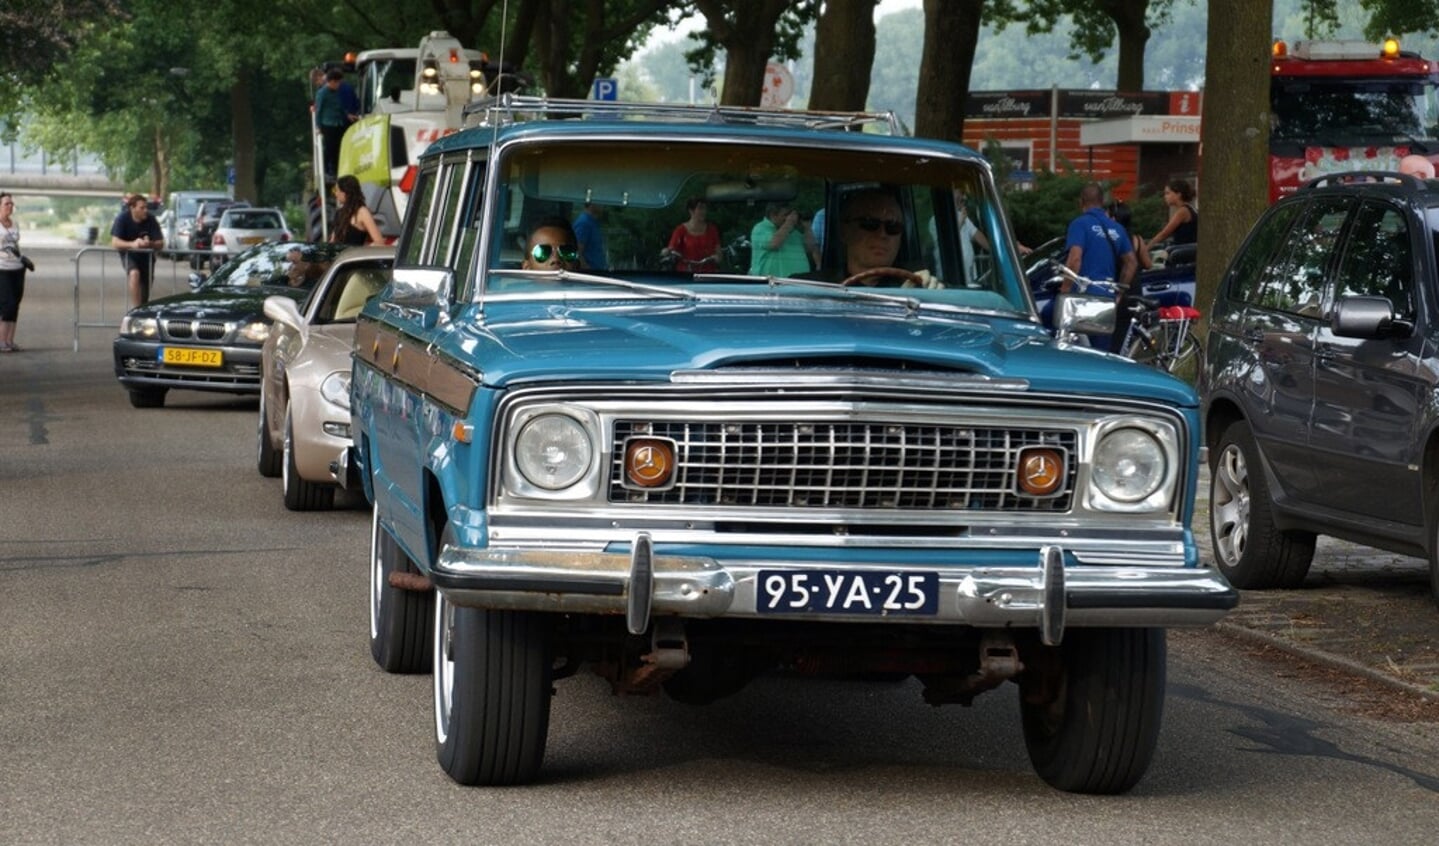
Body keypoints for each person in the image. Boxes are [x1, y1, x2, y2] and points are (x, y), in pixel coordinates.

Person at [1065, 182, 1138, 352]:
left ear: (1081, 202)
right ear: (1101, 201)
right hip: (1107, 297)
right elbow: (1131, 262)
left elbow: (1075, 259)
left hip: (1082, 297)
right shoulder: (1117, 228)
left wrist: (1065, 289)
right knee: (1101, 352)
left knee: (1074, 348)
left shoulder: (1079, 224)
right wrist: (1119, 291)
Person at [111, 193, 164, 308]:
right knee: (134, 274)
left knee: (144, 295)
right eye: (142, 208)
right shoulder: (122, 218)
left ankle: (141, 310)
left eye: (146, 207)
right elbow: (115, 242)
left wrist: (149, 244)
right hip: (129, 254)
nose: (145, 210)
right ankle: (136, 311)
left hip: (146, 258)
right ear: (132, 208)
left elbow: (160, 243)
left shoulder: (151, 220)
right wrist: (133, 244)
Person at [749, 202, 819, 277]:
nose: (789, 218)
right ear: (773, 215)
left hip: (798, 283)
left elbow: (810, 248)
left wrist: (807, 228)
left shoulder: (793, 232)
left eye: (790, 214)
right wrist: (789, 223)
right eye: (785, 215)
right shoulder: (760, 228)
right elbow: (774, 244)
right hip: (772, 284)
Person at [314, 68, 360, 181]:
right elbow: (318, 110)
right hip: (328, 124)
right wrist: (318, 126)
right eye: (338, 82)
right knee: (329, 149)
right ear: (332, 81)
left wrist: (348, 115)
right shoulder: (322, 93)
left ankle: (336, 171)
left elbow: (339, 107)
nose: (339, 85)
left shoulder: (335, 92)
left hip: (338, 123)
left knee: (338, 148)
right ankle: (326, 171)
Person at [663, 198, 722, 272]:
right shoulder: (680, 230)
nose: (703, 211)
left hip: (707, 274)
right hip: (686, 273)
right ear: (691, 211)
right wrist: (667, 251)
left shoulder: (712, 230)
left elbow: (719, 254)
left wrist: (716, 257)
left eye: (705, 209)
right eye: (700, 208)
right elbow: (671, 248)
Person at [0, 193, 26, 352]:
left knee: (15, 304)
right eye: (6, 204)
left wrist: (22, 259)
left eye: (11, 204)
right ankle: (1, 340)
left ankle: (10, 340)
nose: (10, 206)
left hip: (17, 268)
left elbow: (16, 246)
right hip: (2, 269)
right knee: (7, 304)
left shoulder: (14, 224)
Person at [1147, 178, 1197, 251]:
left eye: (1168, 193)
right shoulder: (1187, 209)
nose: (1165, 196)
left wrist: (1147, 247)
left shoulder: (1183, 211)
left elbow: (1164, 234)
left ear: (1178, 194)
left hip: (1183, 252)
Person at [330, 175, 382, 246]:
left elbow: (379, 242)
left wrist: (362, 251)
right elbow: (333, 240)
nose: (335, 194)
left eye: (337, 190)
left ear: (345, 192)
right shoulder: (339, 213)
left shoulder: (362, 212)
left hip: (354, 256)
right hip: (340, 256)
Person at [1106, 200, 1152, 270]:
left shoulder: (1106, 240)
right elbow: (1148, 264)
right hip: (1134, 280)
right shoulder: (1137, 240)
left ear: (1113, 219)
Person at [572, 202, 608, 270]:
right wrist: (588, 271)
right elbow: (577, 251)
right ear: (591, 203)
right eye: (599, 201)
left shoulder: (593, 223)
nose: (603, 204)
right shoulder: (584, 223)